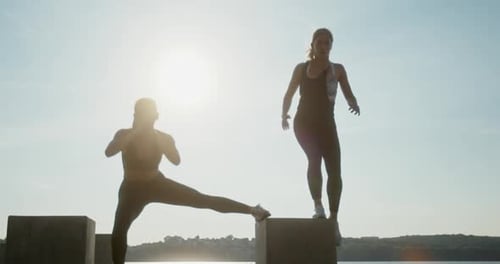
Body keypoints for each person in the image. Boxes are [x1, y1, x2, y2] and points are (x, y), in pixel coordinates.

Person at [105, 98, 270, 264]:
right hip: (131, 191)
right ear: (135, 116)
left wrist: (165, 145)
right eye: (139, 116)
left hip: (157, 184)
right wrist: (135, 133)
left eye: (147, 117)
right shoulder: (124, 134)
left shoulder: (163, 137)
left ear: (156, 117)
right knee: (119, 231)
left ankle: (252, 210)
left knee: (202, 200)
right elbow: (109, 151)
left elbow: (176, 160)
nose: (142, 121)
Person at [281, 28, 360, 246]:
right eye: (320, 43)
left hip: (327, 126)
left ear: (331, 45)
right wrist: (284, 114)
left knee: (335, 171)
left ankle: (333, 220)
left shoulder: (338, 70)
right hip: (304, 124)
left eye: (328, 43)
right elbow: (289, 93)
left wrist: (353, 102)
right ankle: (318, 206)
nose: (324, 47)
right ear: (313, 45)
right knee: (314, 159)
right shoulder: (301, 68)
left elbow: (348, 93)